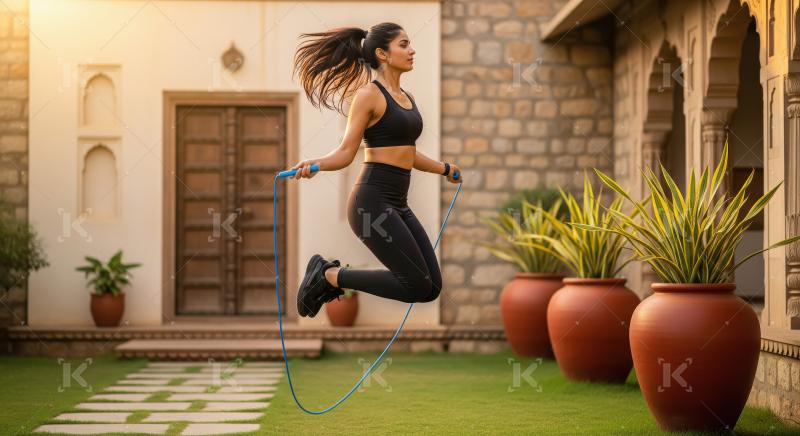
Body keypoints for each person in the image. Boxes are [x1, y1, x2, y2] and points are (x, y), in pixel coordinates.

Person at [289, 22, 463, 318]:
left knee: (431, 286)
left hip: (397, 203)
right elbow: (346, 151)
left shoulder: (408, 98)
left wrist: (444, 168)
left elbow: (407, 153)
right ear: (383, 53)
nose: (412, 50)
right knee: (416, 284)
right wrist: (315, 164)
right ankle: (330, 276)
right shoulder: (368, 95)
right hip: (371, 204)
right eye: (404, 44)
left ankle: (329, 276)